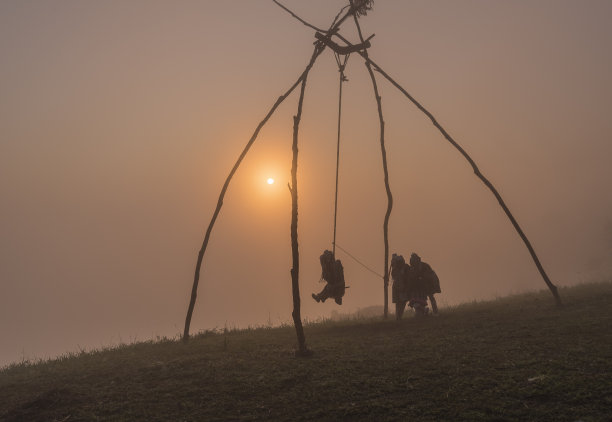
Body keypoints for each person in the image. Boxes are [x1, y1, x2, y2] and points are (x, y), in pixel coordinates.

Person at [391, 253, 410, 319]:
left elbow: (407, 277)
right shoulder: (396, 269)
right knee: (399, 302)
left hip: (402, 287)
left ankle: (399, 317)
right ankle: (398, 317)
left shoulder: (404, 267)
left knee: (401, 302)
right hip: (399, 287)